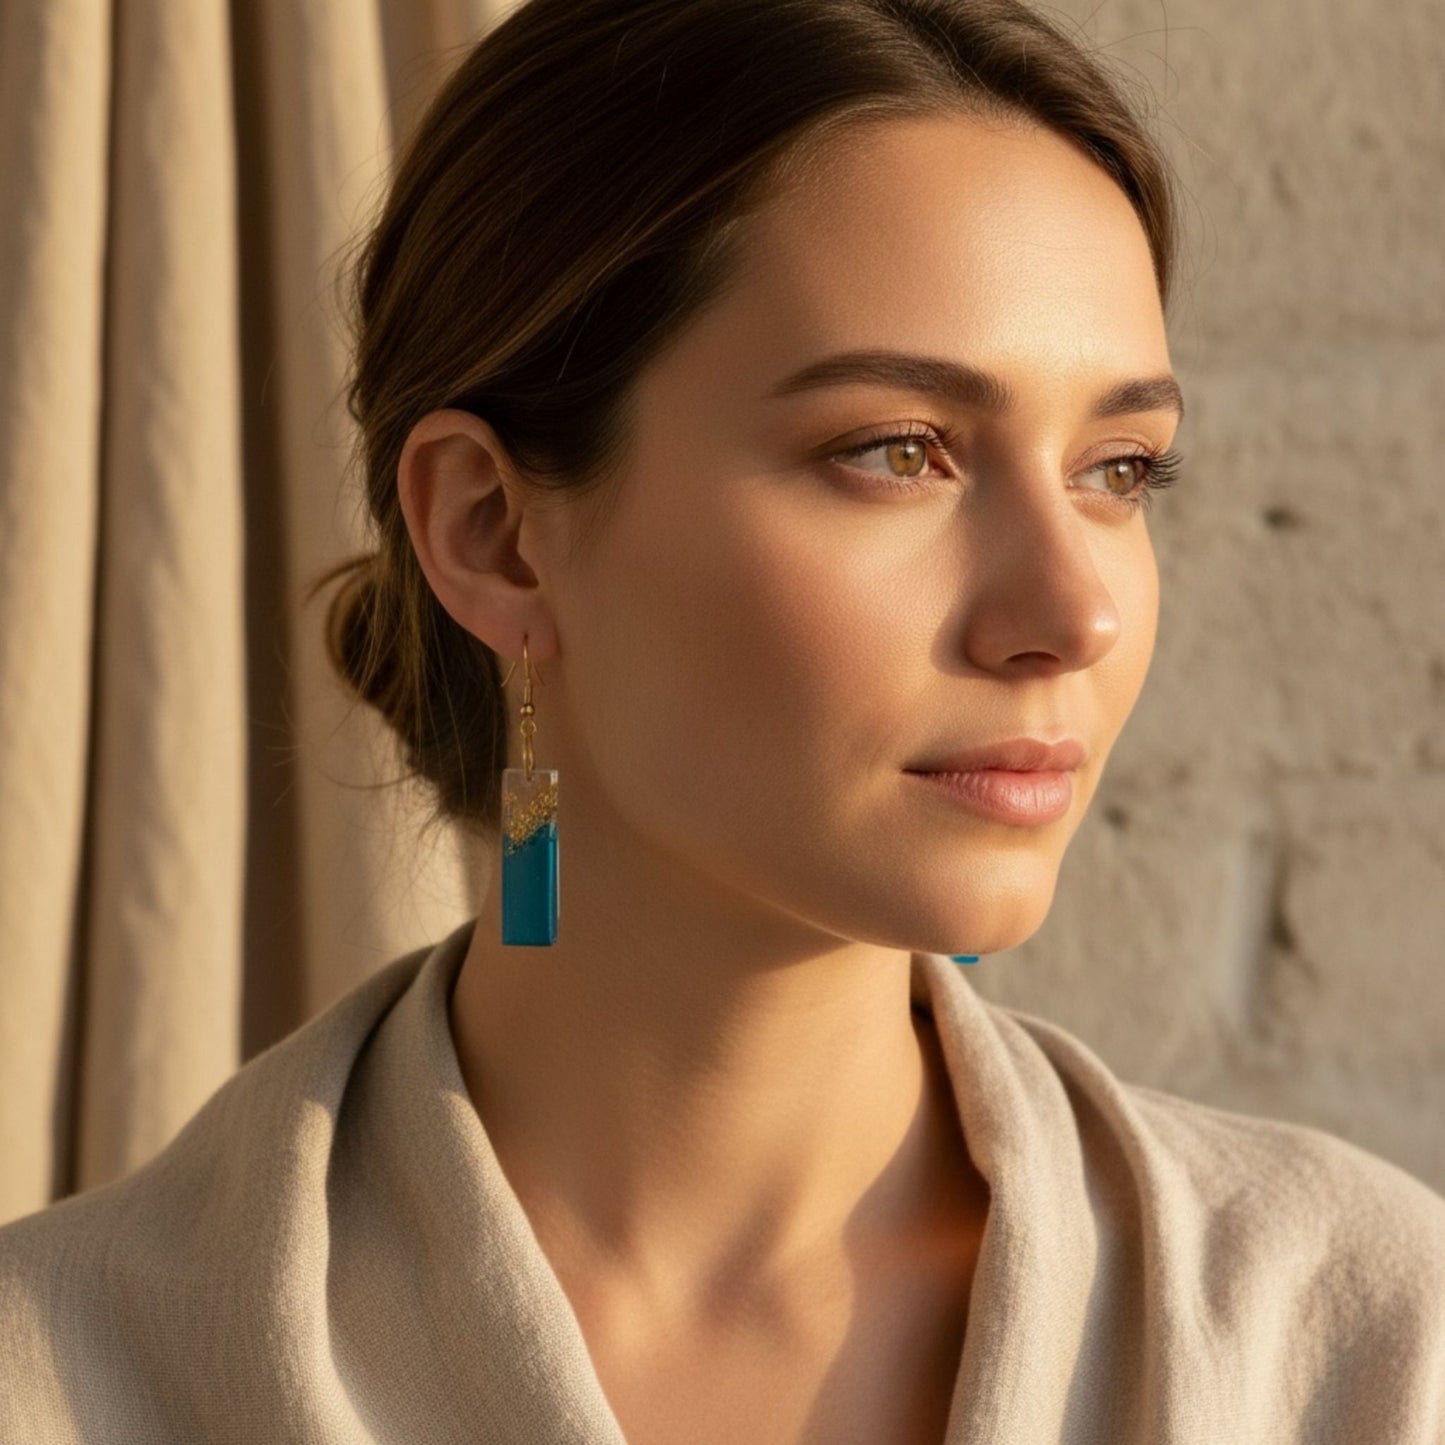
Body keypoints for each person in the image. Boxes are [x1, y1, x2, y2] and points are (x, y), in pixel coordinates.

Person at [2, 0, 1443, 1440]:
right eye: (899, 452)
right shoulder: (63, 1371)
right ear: (495, 532)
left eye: (1120, 469)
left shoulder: (1361, 1338)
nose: (1075, 615)